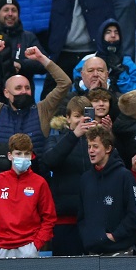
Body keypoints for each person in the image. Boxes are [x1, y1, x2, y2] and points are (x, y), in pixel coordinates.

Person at [0, 40, 72, 162]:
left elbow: (65, 83)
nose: (23, 91)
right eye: (18, 88)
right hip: (3, 177)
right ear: (6, 93)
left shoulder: (43, 109)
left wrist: (41, 58)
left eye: (27, 88)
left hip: (38, 176)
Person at [0, 133, 56, 258]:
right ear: (10, 156)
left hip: (29, 247)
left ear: (31, 156)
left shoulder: (39, 183)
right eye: (18, 153)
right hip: (1, 248)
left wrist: (36, 245)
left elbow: (49, 218)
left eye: (26, 154)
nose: (23, 158)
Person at [42, 96, 94, 256]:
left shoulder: (98, 141)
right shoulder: (55, 139)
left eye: (85, 116)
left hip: (94, 218)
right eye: (77, 116)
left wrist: (104, 134)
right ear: (68, 118)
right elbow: (50, 160)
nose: (81, 121)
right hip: (65, 219)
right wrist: (74, 136)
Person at [78, 125, 136, 255]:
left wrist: (114, 236)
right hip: (92, 252)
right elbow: (81, 216)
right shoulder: (85, 179)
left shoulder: (125, 176)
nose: (91, 151)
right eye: (89, 146)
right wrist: (88, 237)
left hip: (120, 251)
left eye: (95, 146)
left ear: (108, 148)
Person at [0, 0, 48, 98]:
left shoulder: (28, 37)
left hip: (23, 98)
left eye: (14, 10)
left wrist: (21, 64)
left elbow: (43, 64)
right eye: (6, 10)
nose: (10, 14)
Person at [72, 19, 136, 95]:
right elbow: (76, 90)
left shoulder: (128, 63)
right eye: (108, 32)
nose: (113, 35)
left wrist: (120, 73)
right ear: (101, 36)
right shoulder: (87, 60)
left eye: (116, 32)